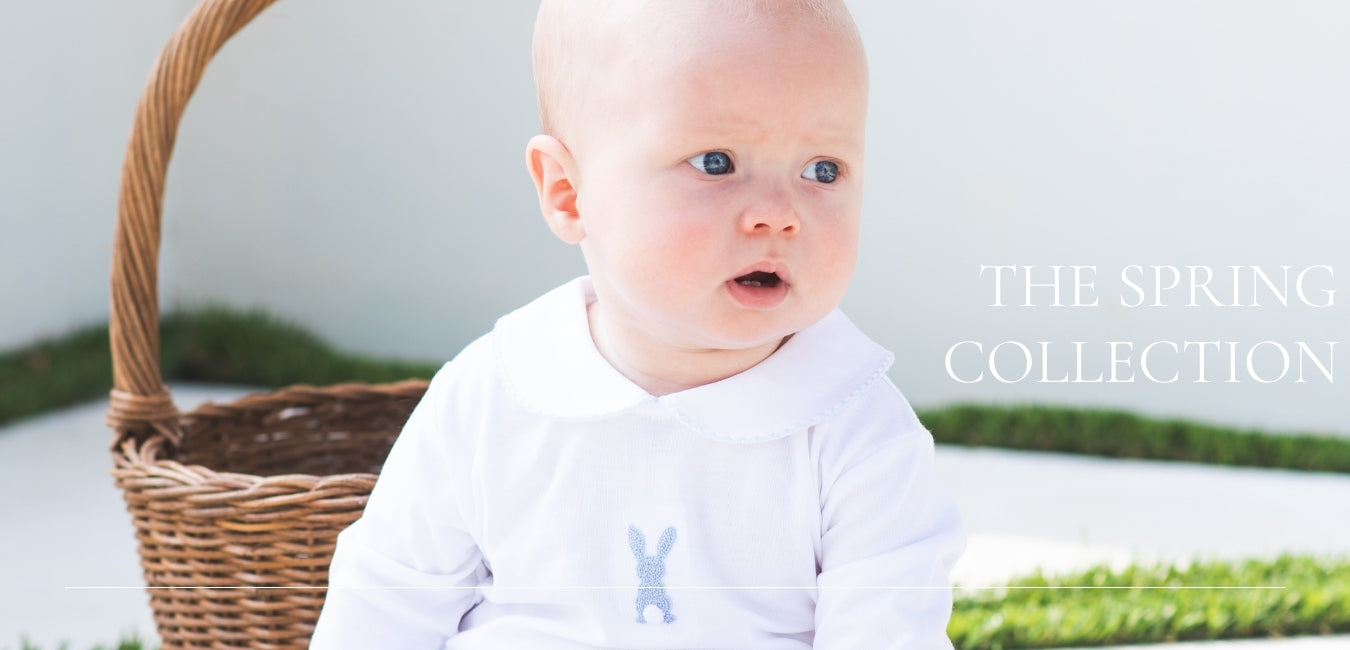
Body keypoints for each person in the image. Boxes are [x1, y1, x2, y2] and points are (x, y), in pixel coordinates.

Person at [311, 0, 965, 647]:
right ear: (569, 193)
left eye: (822, 169)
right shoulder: (494, 391)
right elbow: (386, 604)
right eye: (716, 162)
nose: (778, 213)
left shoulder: (857, 426)